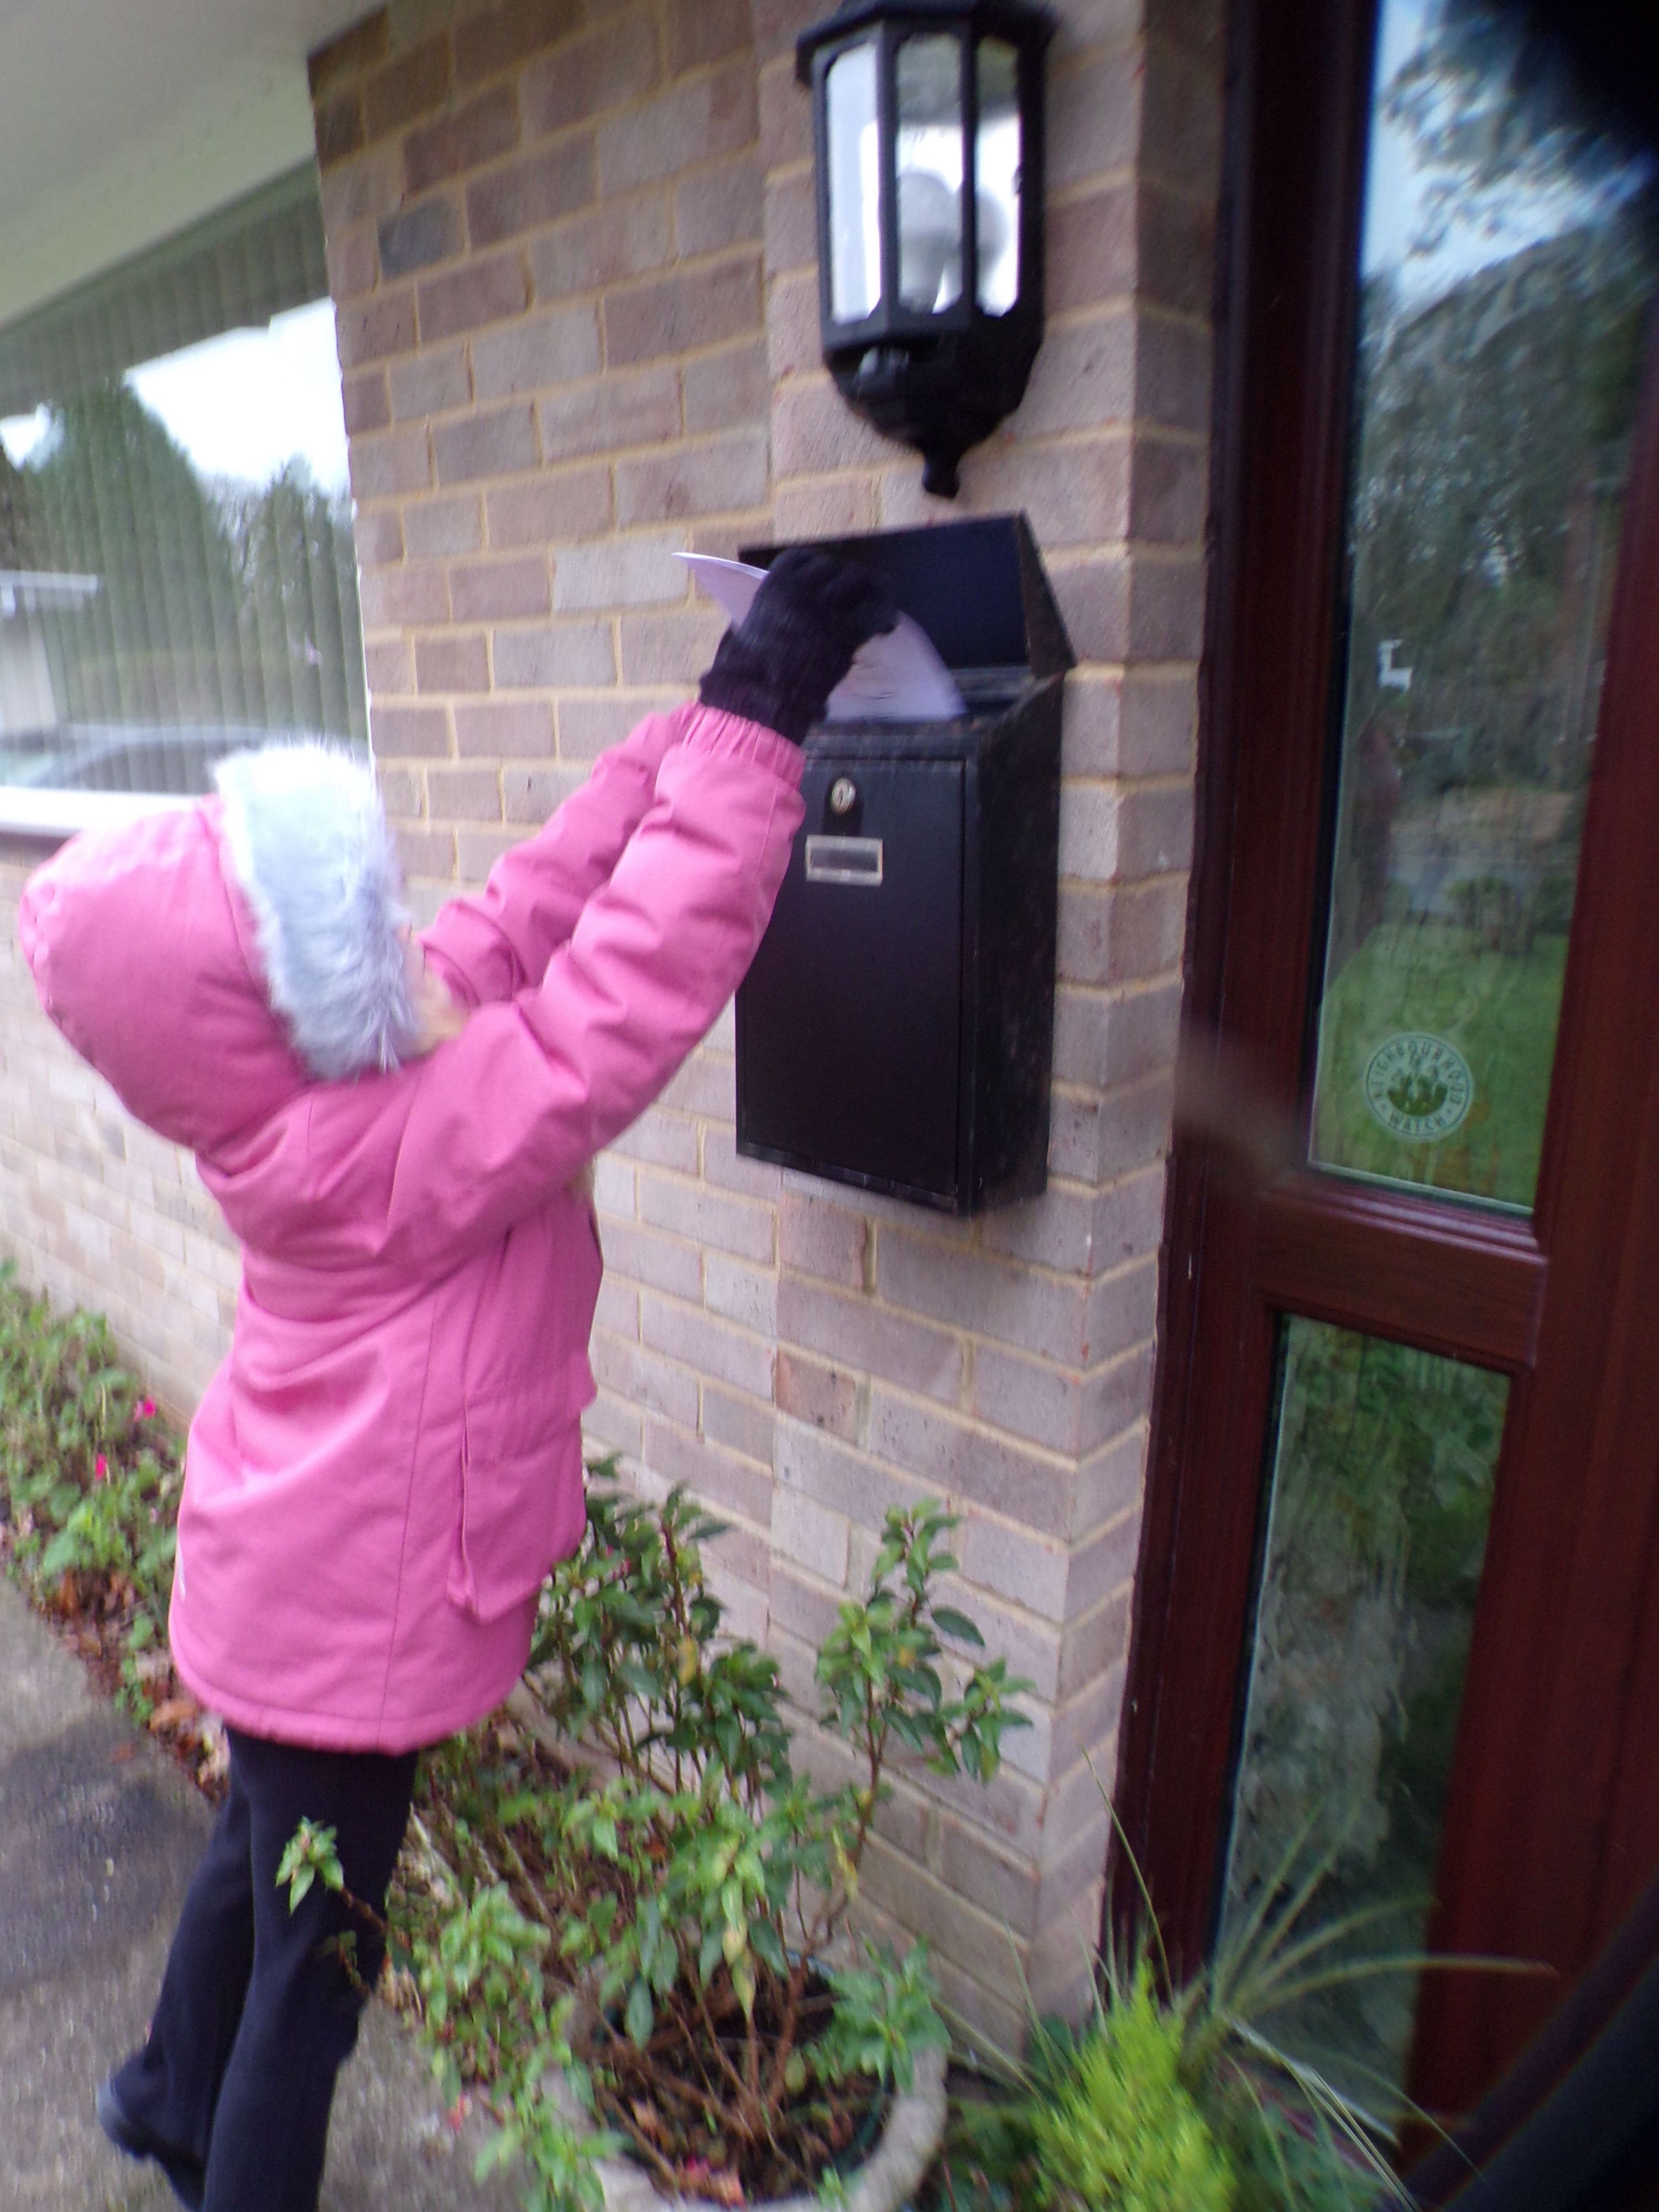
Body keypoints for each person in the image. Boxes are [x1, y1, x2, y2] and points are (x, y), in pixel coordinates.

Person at [18, 547, 898, 2212]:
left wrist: (685, 742)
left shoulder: (314, 1097)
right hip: (344, 1625)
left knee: (257, 1862)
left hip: (281, 1594)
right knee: (319, 1974)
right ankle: (230, 2165)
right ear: (286, 1006)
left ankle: (156, 2098)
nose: (404, 945)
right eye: (354, 931)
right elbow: (605, 1016)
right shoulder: (387, 1143)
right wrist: (759, 724)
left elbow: (514, 927)